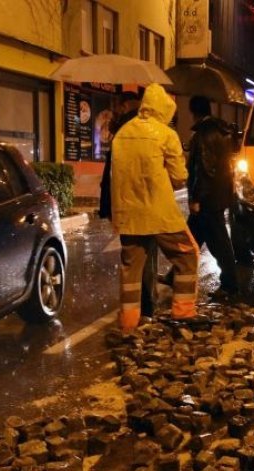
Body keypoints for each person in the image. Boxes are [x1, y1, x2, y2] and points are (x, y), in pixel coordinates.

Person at [111, 83, 199, 332]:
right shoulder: (166, 134)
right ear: (164, 110)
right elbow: (180, 177)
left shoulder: (122, 134)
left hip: (129, 215)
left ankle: (128, 324)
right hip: (160, 214)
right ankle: (183, 314)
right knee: (187, 256)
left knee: (131, 270)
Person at [99, 90, 158, 320]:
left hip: (126, 203)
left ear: (125, 106)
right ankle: (147, 309)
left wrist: (109, 206)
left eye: (119, 106)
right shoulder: (148, 128)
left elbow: (113, 172)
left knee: (131, 260)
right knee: (147, 256)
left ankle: (134, 312)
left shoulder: (123, 131)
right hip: (146, 201)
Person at [180, 94, 239, 299]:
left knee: (219, 243)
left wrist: (196, 198)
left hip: (208, 198)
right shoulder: (222, 130)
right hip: (219, 193)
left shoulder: (204, 134)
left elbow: (205, 169)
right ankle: (176, 274)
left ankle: (230, 284)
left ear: (194, 112)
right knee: (192, 238)